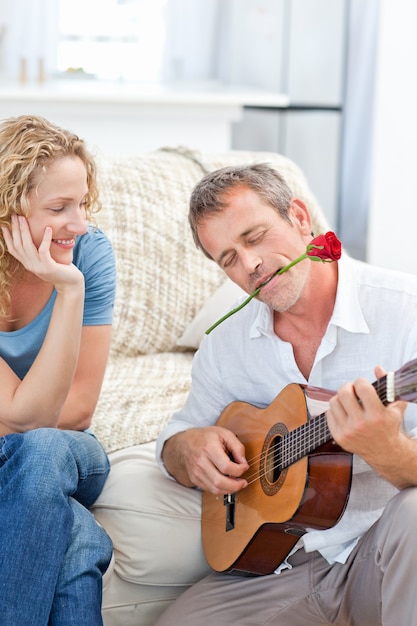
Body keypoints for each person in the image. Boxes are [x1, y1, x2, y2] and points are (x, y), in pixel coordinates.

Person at [155, 163, 417, 625]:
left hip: (386, 556)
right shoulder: (226, 345)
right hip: (279, 564)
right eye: (229, 258)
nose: (249, 264)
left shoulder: (405, 310)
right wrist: (188, 450)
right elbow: (176, 437)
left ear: (298, 217)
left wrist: (388, 451)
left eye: (254, 237)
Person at [0, 115, 116, 625]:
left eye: (83, 204)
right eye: (59, 208)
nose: (80, 223)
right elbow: (20, 417)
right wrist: (18, 422)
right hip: (21, 463)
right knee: (77, 539)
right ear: (8, 210)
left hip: (72, 452)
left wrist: (69, 289)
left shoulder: (89, 256)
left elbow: (69, 410)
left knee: (41, 449)